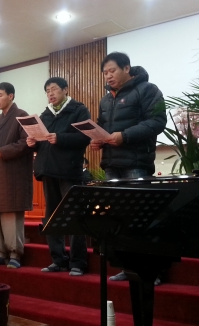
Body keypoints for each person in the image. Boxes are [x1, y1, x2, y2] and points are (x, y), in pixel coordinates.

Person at [90, 51, 167, 282]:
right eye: (105, 72)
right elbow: (102, 126)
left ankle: (151, 271)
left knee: (141, 217)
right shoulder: (106, 99)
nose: (108, 76)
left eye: (112, 70)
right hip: (111, 165)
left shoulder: (148, 90)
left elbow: (157, 122)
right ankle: (128, 266)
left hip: (136, 164)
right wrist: (97, 139)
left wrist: (124, 136)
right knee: (119, 219)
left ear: (127, 68)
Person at [27, 77, 91, 276]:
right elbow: (42, 143)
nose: (50, 94)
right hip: (48, 170)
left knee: (74, 215)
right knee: (51, 217)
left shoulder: (79, 110)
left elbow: (85, 137)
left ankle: (78, 262)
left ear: (65, 90)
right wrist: (34, 144)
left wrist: (60, 138)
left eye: (54, 89)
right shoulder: (45, 115)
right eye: (47, 91)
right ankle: (58, 260)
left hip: (69, 171)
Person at [0, 82, 33, 269]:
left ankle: (15, 254)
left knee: (11, 213)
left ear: (11, 96)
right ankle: (0, 252)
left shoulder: (22, 116)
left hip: (13, 174)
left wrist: (1, 152)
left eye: (0, 95)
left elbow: (25, 143)